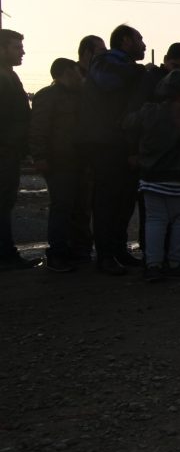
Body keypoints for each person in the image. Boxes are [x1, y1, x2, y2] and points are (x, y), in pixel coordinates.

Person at [124, 70, 180, 281]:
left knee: (155, 221)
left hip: (151, 177)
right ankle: (176, 261)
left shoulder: (148, 111)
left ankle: (153, 265)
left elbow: (127, 124)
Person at [78, 24, 147, 275]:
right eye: (139, 39)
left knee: (124, 201)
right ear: (126, 40)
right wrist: (137, 72)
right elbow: (108, 83)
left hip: (123, 143)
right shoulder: (105, 62)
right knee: (107, 201)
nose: (144, 44)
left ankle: (118, 251)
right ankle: (106, 256)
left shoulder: (125, 68)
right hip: (107, 144)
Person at [29, 59, 90, 272]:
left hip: (79, 161)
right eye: (77, 71)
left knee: (80, 208)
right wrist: (40, 157)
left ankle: (79, 252)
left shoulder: (79, 96)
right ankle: (58, 255)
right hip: (59, 162)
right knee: (62, 208)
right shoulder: (47, 96)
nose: (81, 75)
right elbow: (38, 128)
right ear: (66, 72)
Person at [0, 29, 41, 270]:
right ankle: (5, 255)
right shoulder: (4, 78)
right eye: (16, 47)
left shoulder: (9, 76)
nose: (22, 51)